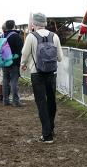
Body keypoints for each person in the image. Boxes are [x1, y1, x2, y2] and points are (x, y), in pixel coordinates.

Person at [21, 13, 63, 143]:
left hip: (36, 73)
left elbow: (25, 54)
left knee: (41, 104)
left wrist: (23, 64)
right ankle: (51, 128)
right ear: (45, 22)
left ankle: (47, 135)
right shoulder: (54, 36)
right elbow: (60, 57)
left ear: (34, 24)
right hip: (51, 73)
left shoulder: (31, 37)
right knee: (51, 101)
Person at [2, 20, 24, 106]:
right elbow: (20, 49)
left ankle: (5, 100)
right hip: (14, 62)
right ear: (14, 26)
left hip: (4, 62)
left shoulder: (2, 36)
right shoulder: (16, 36)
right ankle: (16, 101)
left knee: (5, 81)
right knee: (14, 81)